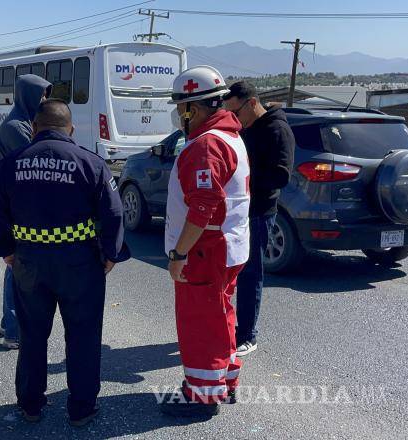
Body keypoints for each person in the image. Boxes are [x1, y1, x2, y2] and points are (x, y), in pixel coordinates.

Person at [0, 99, 129, 426]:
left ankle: (31, 405)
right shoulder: (90, 163)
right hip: (80, 264)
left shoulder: (12, 164)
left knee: (32, 335)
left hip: (29, 264)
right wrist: (110, 253)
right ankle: (81, 408)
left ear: (34, 128)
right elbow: (114, 212)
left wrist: (6, 250)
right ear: (71, 129)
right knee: (83, 335)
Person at [162, 66, 250, 417]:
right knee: (221, 316)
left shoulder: (206, 145)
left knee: (199, 322)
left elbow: (202, 206)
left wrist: (178, 253)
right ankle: (224, 381)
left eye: (181, 108)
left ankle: (200, 396)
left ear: (193, 109)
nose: (179, 116)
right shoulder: (230, 136)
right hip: (228, 246)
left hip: (206, 251)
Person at [222, 81, 295, 357]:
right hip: (238, 211)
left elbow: (281, 176)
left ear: (252, 103)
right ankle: (229, 328)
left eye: (236, 112)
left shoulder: (277, 130)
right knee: (233, 271)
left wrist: (244, 182)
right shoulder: (246, 128)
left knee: (251, 273)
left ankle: (247, 335)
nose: (234, 119)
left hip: (259, 212)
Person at [0, 74, 52, 349]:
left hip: (20, 202)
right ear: (29, 95)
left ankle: (9, 323)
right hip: (16, 205)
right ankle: (13, 331)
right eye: (41, 95)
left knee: (18, 265)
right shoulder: (17, 127)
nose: (45, 100)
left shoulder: (24, 122)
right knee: (16, 266)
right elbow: (35, 159)